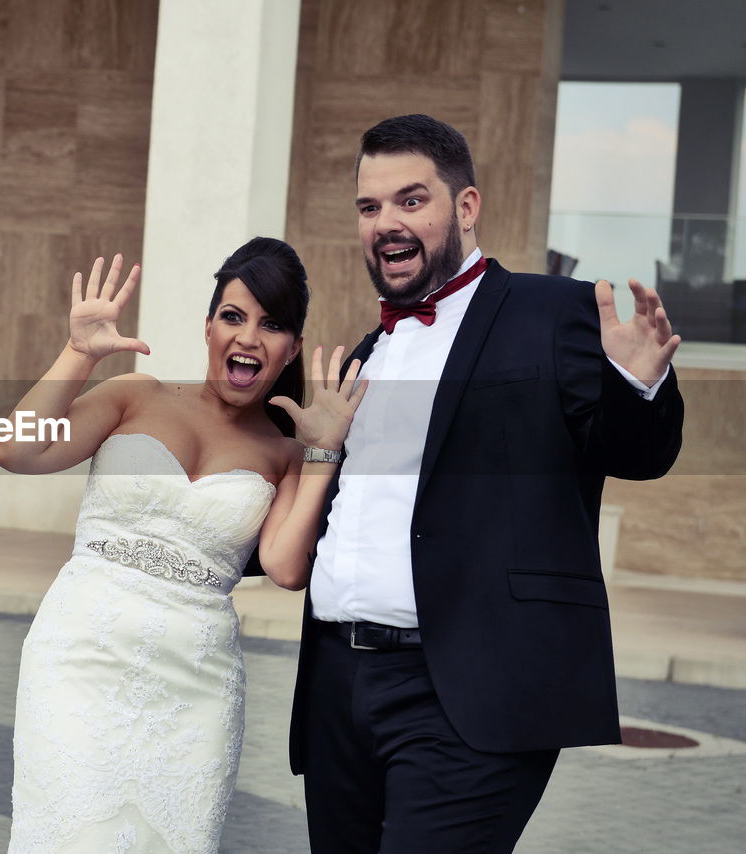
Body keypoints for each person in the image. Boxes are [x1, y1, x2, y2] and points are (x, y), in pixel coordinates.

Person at [289, 113, 685, 854]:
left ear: (465, 207)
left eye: (412, 200)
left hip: (469, 691)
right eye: (370, 208)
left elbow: (635, 453)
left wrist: (635, 385)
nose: (387, 224)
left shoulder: (552, 312)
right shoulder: (370, 351)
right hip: (338, 690)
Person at [0, 237, 366, 853]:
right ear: (208, 326)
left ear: (293, 347)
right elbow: (17, 450)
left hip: (197, 689)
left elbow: (284, 567)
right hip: (79, 662)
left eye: (272, 325)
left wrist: (324, 452)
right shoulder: (136, 395)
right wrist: (77, 353)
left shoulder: (284, 453)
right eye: (233, 316)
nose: (248, 337)